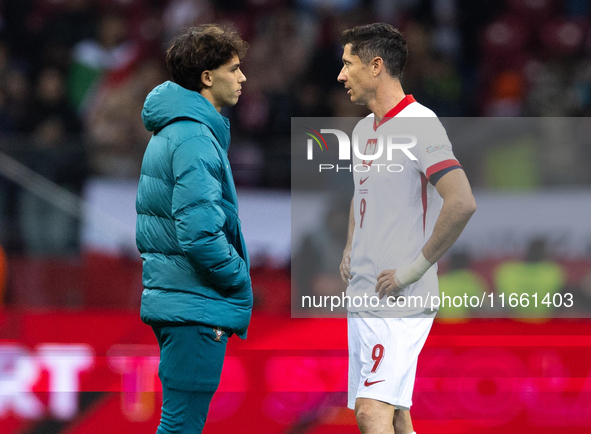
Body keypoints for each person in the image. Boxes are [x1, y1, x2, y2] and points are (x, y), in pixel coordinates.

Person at [337, 23, 476, 434]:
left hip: (400, 297)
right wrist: (350, 246)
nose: (341, 75)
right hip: (363, 293)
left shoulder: (420, 124)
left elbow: (462, 201)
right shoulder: (363, 130)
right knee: (397, 415)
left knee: (370, 411)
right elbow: (360, 195)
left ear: (376, 66)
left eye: (348, 64)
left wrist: (413, 270)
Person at [135, 25, 251, 433]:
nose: (242, 78)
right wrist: (238, 277)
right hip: (195, 304)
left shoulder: (178, 129)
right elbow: (199, 233)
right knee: (182, 426)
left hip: (181, 301)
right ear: (207, 77)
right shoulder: (195, 137)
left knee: (179, 423)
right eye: (234, 69)